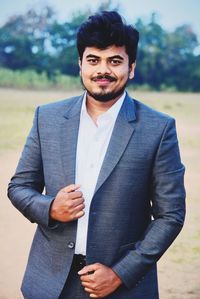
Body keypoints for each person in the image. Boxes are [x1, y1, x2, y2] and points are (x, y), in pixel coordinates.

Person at [8, 10, 186, 299]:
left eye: (115, 61)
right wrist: (50, 207)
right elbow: (19, 188)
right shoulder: (47, 117)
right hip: (49, 284)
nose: (103, 70)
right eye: (93, 60)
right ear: (80, 64)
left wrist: (120, 273)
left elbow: (170, 216)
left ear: (131, 68)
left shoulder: (159, 128)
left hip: (122, 288)